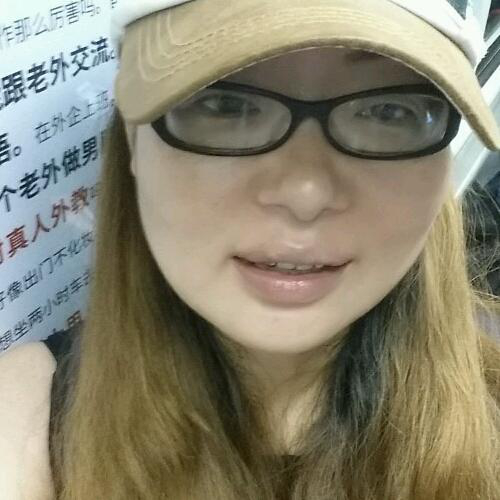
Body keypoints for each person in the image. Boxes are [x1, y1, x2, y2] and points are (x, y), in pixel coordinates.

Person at [1, 1, 500, 499]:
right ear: (133, 139)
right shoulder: (24, 420)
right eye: (225, 105)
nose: (306, 193)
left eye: (389, 111)